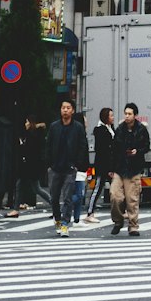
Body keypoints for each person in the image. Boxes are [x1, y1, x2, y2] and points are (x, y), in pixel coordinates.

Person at [46, 100, 89, 237]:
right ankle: (57, 219)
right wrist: (49, 162)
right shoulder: (54, 127)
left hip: (70, 167)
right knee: (54, 197)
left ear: (72, 111)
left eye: (68, 108)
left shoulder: (78, 127)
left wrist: (77, 163)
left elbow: (83, 146)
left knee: (68, 197)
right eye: (63, 107)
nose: (65, 110)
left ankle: (65, 224)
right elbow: (48, 145)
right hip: (55, 167)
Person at [109, 101, 150, 236]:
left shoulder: (141, 130)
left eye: (129, 114)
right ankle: (118, 220)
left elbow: (146, 146)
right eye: (125, 113)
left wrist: (137, 151)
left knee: (132, 199)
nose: (127, 116)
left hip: (134, 168)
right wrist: (112, 167)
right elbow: (114, 149)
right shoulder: (120, 129)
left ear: (135, 115)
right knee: (115, 195)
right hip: (120, 167)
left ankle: (133, 226)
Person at [85, 107, 115, 221]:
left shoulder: (110, 128)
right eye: (111, 116)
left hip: (110, 165)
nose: (113, 118)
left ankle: (121, 211)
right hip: (103, 165)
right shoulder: (100, 130)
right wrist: (109, 168)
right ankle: (89, 212)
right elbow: (103, 151)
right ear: (106, 117)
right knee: (98, 189)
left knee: (117, 189)